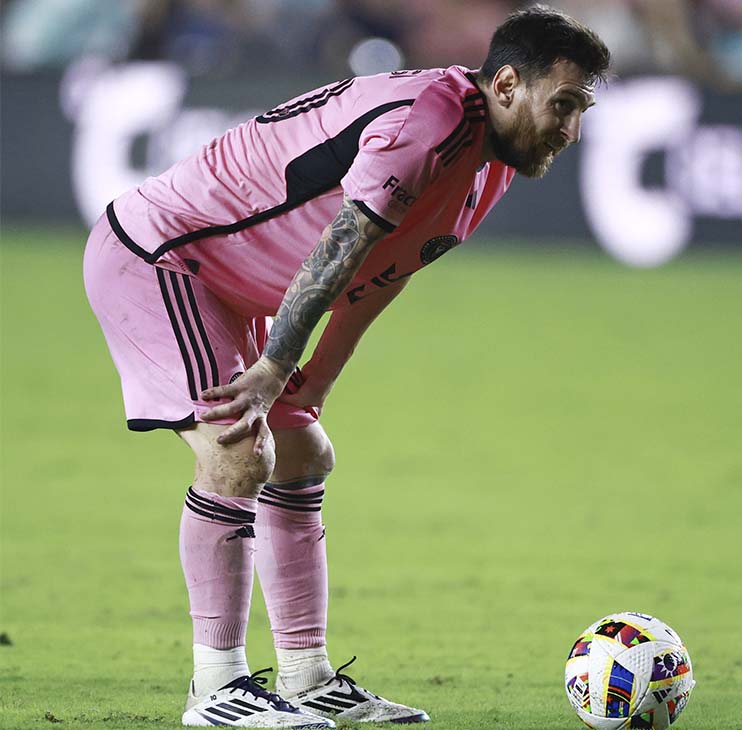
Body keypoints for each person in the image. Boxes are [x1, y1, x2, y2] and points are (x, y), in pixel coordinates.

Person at [83, 6, 609, 727]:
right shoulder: (426, 122)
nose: (572, 129)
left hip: (235, 286)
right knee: (237, 456)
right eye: (565, 105)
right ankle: (217, 687)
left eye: (581, 109)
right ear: (509, 84)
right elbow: (341, 245)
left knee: (302, 452)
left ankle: (304, 675)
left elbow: (381, 272)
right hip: (162, 256)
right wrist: (275, 363)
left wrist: (311, 383)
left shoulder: (490, 167)